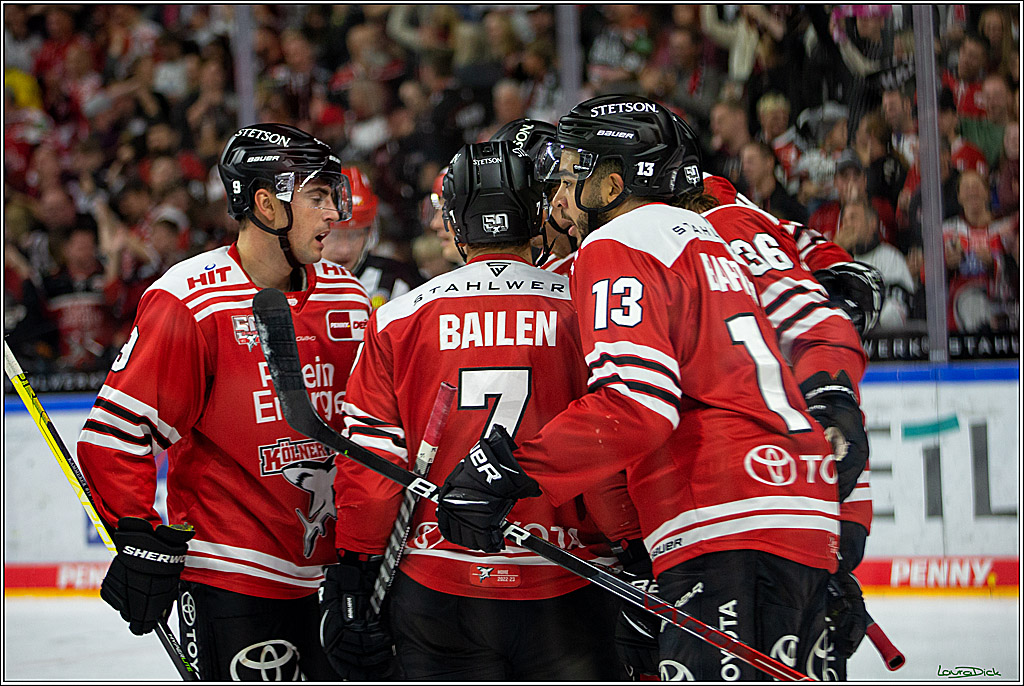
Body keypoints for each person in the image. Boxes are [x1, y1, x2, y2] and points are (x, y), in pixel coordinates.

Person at [436, 95, 840, 680]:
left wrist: (511, 468)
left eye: (575, 173)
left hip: (721, 512)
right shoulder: (708, 239)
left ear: (612, 184)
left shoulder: (616, 244)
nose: (565, 193)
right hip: (799, 506)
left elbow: (637, 403)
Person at [323, 139, 632, 680]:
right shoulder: (583, 305)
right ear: (536, 215)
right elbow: (610, 440)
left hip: (440, 584)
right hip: (568, 578)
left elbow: (373, 467)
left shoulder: (399, 316)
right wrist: (631, 545)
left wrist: (355, 569)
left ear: (455, 222)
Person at [77, 123, 370, 681]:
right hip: (233, 574)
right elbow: (113, 438)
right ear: (265, 203)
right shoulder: (188, 301)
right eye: (317, 196)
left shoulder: (347, 296)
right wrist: (139, 536)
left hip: (340, 578)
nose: (334, 212)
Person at [321, 165, 426, 309]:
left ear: (369, 233)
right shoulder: (291, 279)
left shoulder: (398, 280)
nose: (344, 249)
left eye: (355, 235)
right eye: (334, 235)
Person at [835, 200, 915, 332]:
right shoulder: (841, 261)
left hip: (885, 340)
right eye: (845, 220)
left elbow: (899, 306)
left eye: (853, 218)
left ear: (872, 224)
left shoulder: (891, 257)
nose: (847, 225)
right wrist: (836, 250)